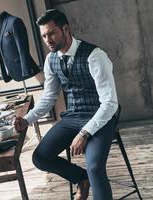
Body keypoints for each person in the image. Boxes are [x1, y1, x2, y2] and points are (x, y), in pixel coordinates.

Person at [13, 9, 118, 200]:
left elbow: (110, 103)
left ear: (66, 29)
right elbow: (49, 97)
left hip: (100, 117)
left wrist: (85, 133)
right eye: (44, 35)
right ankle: (81, 179)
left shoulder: (95, 56)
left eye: (52, 33)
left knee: (94, 168)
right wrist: (27, 119)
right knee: (40, 157)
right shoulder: (51, 60)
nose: (48, 39)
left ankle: (89, 177)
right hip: (73, 117)